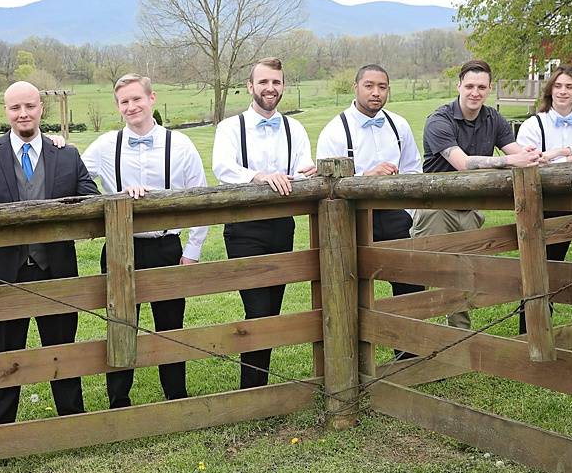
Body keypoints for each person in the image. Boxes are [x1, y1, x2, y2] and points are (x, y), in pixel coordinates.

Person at [0, 81, 98, 426]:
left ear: (41, 108)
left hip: (56, 269)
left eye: (29, 106)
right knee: (2, 350)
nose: (23, 114)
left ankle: (72, 421)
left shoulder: (67, 154)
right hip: (2, 272)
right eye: (15, 108)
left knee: (61, 346)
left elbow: (90, 198)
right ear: (6, 111)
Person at [81, 74, 208, 408]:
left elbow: (201, 197)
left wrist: (192, 251)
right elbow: (75, 174)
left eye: (137, 99)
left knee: (170, 324)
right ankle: (118, 398)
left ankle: (176, 394)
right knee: (120, 322)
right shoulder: (106, 145)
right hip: (122, 249)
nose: (131, 106)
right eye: (124, 101)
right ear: (118, 106)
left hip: (167, 247)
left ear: (152, 99)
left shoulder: (180, 145)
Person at [413, 59, 541, 329]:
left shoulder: (493, 119)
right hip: (437, 207)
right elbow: (462, 163)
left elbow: (518, 153)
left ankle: (459, 333)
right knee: (425, 270)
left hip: (469, 207)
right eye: (469, 85)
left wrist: (546, 155)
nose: (475, 92)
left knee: (465, 271)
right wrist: (510, 162)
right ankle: (416, 332)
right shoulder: (439, 120)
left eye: (481, 87)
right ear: (458, 85)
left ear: (490, 89)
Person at [212, 57, 316, 388]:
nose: (270, 88)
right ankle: (252, 388)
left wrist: (306, 172)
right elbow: (223, 168)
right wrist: (259, 176)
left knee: (271, 309)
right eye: (264, 82)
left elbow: (303, 166)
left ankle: (260, 383)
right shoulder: (230, 127)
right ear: (250, 86)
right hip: (244, 229)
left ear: (282, 86)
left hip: (283, 226)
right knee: (257, 308)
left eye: (276, 82)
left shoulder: (293, 128)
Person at [316, 64, 424, 356]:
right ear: (356, 87)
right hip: (351, 219)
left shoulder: (398, 125)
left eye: (382, 87)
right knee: (352, 289)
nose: (376, 93)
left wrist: (407, 211)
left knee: (409, 283)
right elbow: (327, 185)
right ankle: (352, 356)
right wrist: (367, 178)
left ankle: (408, 353)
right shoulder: (335, 129)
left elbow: (414, 169)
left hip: (394, 217)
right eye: (369, 86)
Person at [514, 64, 572, 333]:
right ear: (550, 90)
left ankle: (539, 326)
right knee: (534, 265)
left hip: (569, 206)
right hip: (536, 205)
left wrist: (559, 152)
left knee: (554, 266)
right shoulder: (534, 124)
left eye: (569, 86)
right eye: (558, 86)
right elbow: (530, 159)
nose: (563, 91)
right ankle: (528, 329)